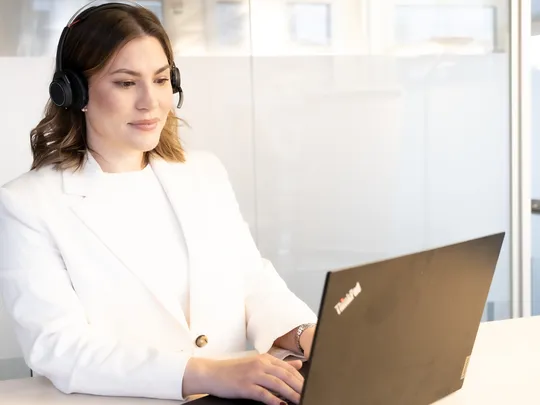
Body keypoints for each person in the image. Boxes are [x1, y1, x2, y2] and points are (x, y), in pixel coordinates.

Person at [0, 2, 317, 404]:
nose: (151, 101)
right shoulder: (29, 204)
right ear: (74, 92)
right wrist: (209, 374)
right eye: (126, 83)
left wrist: (302, 332)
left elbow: (249, 278)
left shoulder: (203, 173)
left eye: (162, 79)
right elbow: (59, 348)